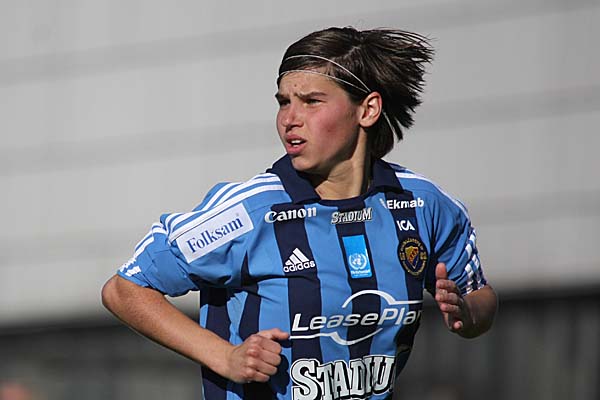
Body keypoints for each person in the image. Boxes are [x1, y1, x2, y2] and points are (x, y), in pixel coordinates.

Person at [102, 26, 497, 400]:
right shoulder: (250, 210)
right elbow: (124, 289)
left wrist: (466, 314)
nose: (290, 119)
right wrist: (225, 356)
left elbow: (479, 297)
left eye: (311, 101)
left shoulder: (422, 204)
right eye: (283, 102)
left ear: (368, 109)